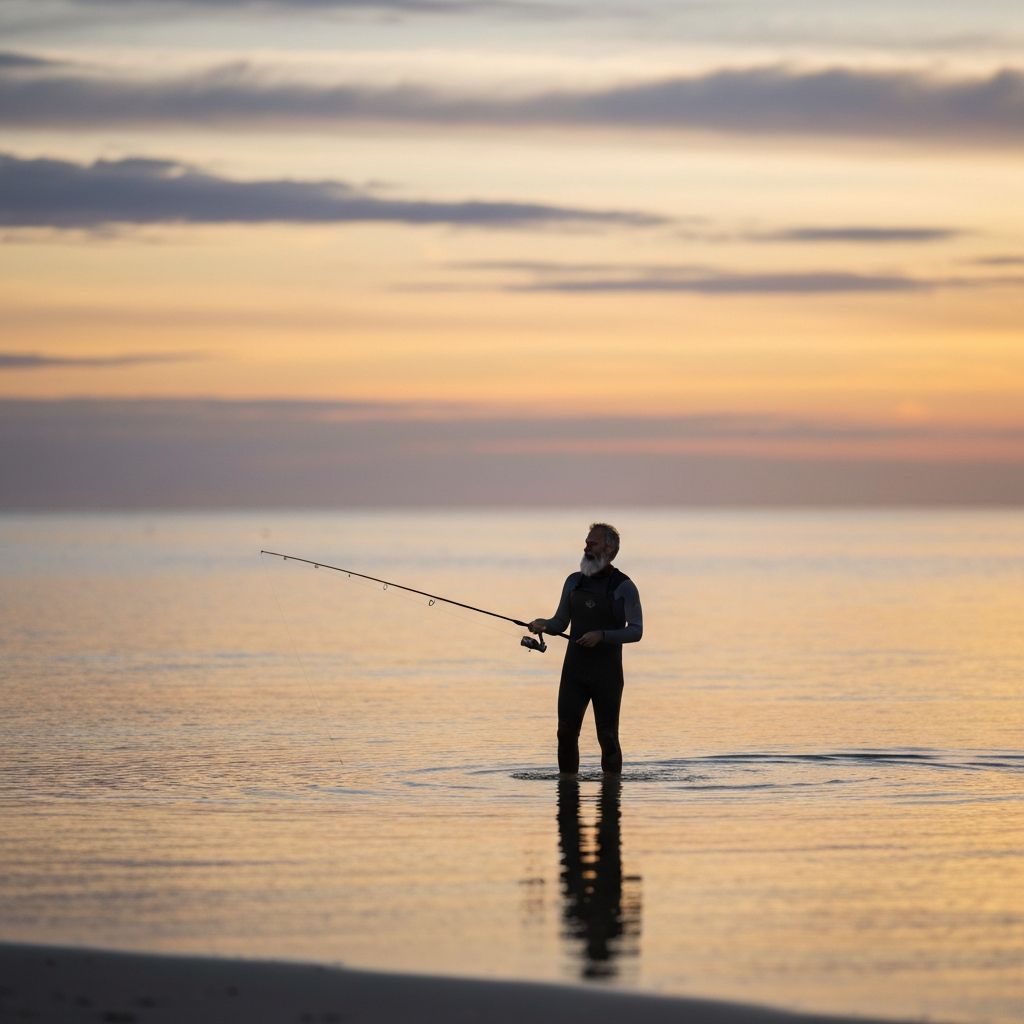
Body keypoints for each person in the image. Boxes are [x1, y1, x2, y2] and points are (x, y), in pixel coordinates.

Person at [529, 523, 643, 776]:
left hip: (607, 674)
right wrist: (543, 625)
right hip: (574, 672)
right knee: (565, 733)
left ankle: (611, 797)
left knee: (608, 737)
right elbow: (560, 623)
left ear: (610, 549)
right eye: (586, 542)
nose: (586, 547)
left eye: (592, 543)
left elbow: (636, 631)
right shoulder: (573, 582)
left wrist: (601, 636)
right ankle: (567, 792)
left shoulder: (624, 586)